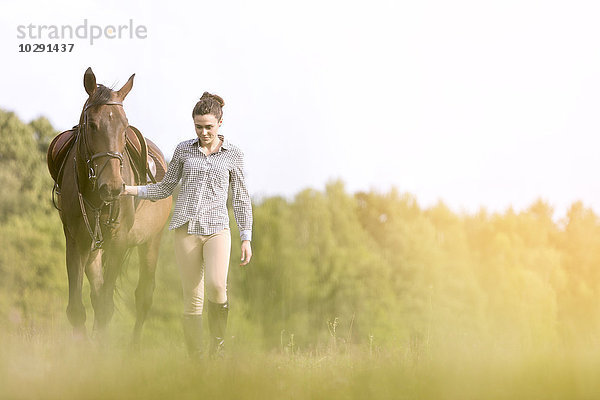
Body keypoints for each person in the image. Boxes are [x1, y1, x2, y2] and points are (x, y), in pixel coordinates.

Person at [123, 92, 253, 358]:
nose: (204, 132)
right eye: (198, 126)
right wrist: (130, 190)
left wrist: (246, 236)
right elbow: (165, 188)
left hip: (217, 228)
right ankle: (196, 360)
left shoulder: (233, 155)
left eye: (209, 126)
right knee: (192, 297)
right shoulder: (183, 150)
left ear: (220, 123)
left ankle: (217, 349)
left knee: (217, 286)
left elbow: (240, 198)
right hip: (186, 229)